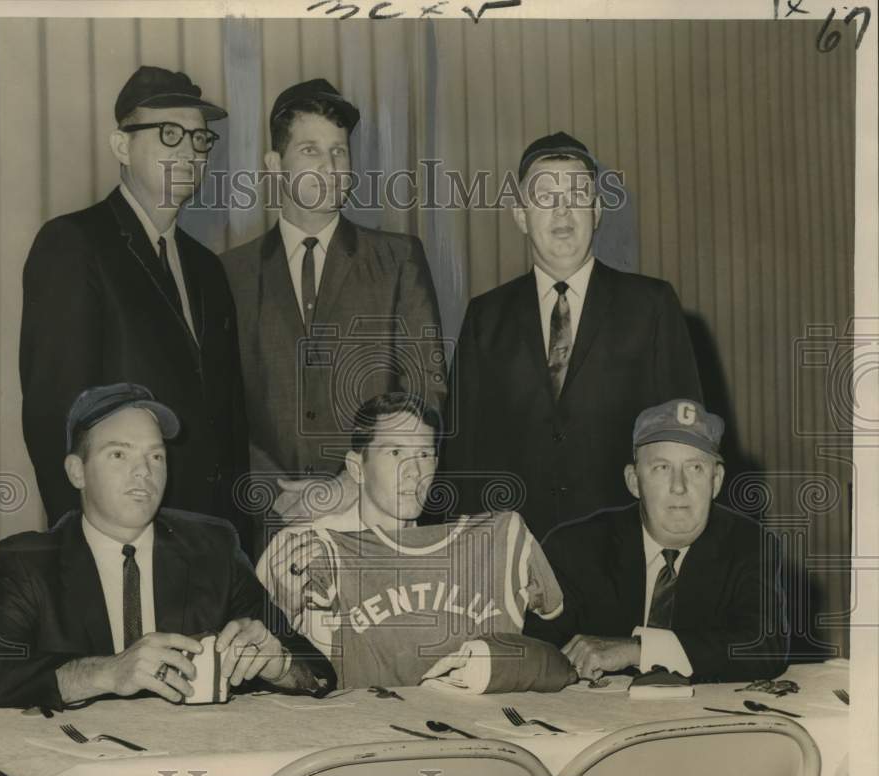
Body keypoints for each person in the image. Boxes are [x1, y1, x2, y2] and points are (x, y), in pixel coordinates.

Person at [0, 384, 334, 709]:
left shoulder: (212, 548)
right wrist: (104, 672)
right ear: (76, 471)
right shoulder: (29, 562)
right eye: (119, 454)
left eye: (156, 456)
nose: (144, 472)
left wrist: (279, 664)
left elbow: (319, 675)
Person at [19, 66, 248, 539]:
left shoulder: (208, 268)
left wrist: (237, 544)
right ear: (121, 146)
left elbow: (228, 422)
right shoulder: (74, 244)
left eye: (200, 139)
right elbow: (55, 420)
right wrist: (81, 553)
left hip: (210, 547)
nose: (189, 150)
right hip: (119, 542)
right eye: (169, 134)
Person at [439, 131, 703, 541]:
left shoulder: (650, 306)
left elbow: (686, 446)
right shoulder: (485, 317)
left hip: (621, 556)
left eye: (577, 196)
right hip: (513, 558)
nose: (563, 212)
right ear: (521, 215)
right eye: (545, 197)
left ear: (597, 211)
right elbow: (460, 460)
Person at [221, 79, 445, 546]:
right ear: (273, 166)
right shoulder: (230, 273)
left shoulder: (398, 258)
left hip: (377, 520)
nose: (329, 167)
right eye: (310, 150)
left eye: (339, 152)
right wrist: (276, 492)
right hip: (270, 524)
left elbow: (425, 392)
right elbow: (221, 408)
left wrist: (351, 482)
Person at [257, 392, 573, 690]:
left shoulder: (481, 547)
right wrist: (284, 609)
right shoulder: (300, 548)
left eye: (424, 454)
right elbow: (255, 669)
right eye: (395, 452)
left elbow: (550, 625)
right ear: (357, 467)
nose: (414, 472)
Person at [525, 399, 789, 683]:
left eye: (695, 468)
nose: (679, 487)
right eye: (662, 468)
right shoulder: (575, 547)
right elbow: (533, 648)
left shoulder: (749, 544)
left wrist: (640, 650)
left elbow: (764, 647)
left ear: (717, 480)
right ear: (634, 481)